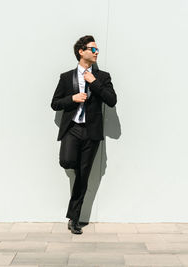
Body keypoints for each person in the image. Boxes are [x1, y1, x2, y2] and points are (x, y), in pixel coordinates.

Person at [51, 35, 117, 234]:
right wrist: (72, 98)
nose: (96, 53)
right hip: (72, 129)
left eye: (97, 50)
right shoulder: (65, 77)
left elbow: (111, 100)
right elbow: (55, 103)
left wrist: (94, 82)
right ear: (81, 51)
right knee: (66, 161)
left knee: (83, 176)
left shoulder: (103, 77)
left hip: (91, 133)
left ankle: (74, 219)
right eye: (93, 49)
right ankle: (74, 167)